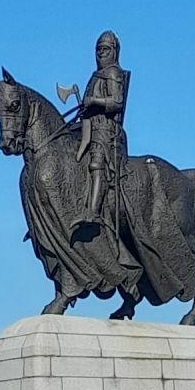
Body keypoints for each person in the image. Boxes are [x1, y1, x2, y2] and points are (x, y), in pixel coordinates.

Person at [72, 29, 129, 236]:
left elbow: (116, 102)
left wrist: (94, 101)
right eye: (98, 49)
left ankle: (93, 212)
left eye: (105, 49)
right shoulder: (95, 76)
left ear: (114, 51)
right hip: (90, 125)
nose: (100, 53)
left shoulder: (113, 73)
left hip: (105, 129)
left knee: (96, 164)